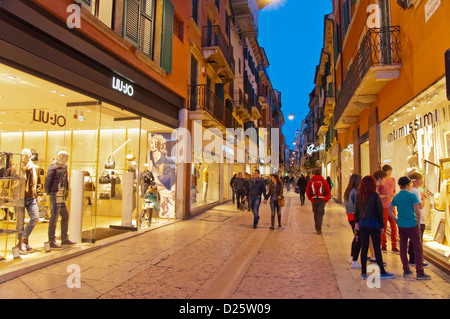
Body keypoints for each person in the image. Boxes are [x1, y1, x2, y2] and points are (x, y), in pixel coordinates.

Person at [388, 177, 431, 280]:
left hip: (401, 225)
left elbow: (389, 211)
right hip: (412, 224)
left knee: (403, 246)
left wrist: (396, 220)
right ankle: (420, 272)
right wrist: (418, 224)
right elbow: (417, 211)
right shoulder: (412, 196)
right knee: (417, 247)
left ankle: (406, 270)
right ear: (408, 185)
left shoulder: (397, 197)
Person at [354, 176, 394, 280]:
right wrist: (382, 225)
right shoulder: (375, 196)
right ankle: (382, 271)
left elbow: (356, 212)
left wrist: (357, 224)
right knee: (377, 248)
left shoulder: (359, 196)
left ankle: (363, 272)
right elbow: (379, 211)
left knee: (364, 247)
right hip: (374, 224)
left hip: (362, 224)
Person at [45, 151, 75, 249]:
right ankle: (51, 240)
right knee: (54, 217)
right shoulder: (53, 167)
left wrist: (65, 193)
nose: (67, 160)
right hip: (55, 194)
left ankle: (64, 238)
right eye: (66, 158)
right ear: (61, 157)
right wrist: (49, 193)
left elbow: (65, 182)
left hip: (61, 195)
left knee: (65, 215)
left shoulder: (63, 168)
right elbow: (48, 180)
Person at [15, 149, 41, 254]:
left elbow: (38, 182)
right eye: (25, 155)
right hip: (19, 197)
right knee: (20, 222)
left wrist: (39, 194)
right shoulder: (15, 168)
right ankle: (22, 243)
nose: (27, 157)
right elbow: (10, 182)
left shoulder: (35, 168)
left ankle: (23, 240)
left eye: (29, 155)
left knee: (35, 218)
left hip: (31, 197)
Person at [377, 165, 399, 254]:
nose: (390, 173)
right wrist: (386, 196)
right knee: (384, 226)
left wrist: (394, 195)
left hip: (392, 205)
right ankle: (383, 245)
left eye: (391, 171)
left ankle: (394, 245)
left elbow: (394, 191)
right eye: (389, 171)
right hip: (383, 206)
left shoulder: (392, 180)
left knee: (394, 226)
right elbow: (377, 194)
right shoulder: (381, 181)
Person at [408, 172, 429, 268]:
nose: (422, 181)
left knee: (413, 240)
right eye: (420, 179)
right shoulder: (415, 192)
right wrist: (424, 198)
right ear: (415, 180)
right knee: (418, 241)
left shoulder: (410, 190)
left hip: (411, 219)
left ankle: (412, 259)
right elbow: (420, 206)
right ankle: (418, 260)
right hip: (418, 219)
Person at [343, 174, 362, 269]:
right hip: (355, 217)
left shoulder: (348, 191)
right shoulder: (355, 192)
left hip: (350, 216)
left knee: (356, 236)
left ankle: (352, 257)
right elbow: (356, 206)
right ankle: (353, 258)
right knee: (358, 237)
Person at [306, 169, 331, 234]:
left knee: (315, 213)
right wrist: (326, 199)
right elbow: (328, 191)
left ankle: (317, 226)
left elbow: (308, 191)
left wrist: (310, 198)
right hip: (322, 200)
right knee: (320, 214)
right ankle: (318, 228)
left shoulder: (311, 182)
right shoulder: (324, 181)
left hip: (314, 200)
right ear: (320, 173)